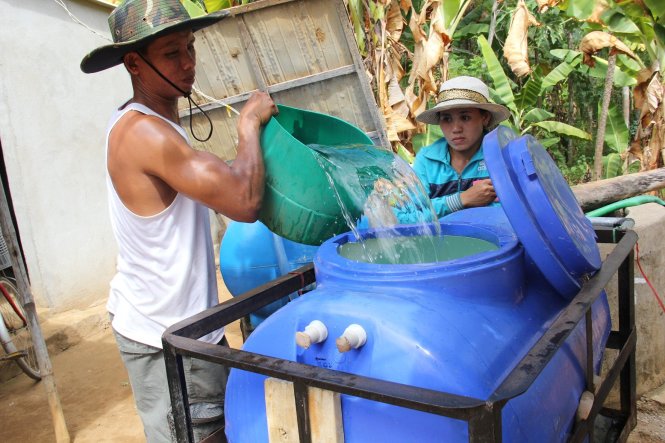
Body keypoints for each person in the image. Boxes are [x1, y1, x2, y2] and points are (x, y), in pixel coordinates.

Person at [80, 1, 278, 442]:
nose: (188, 63)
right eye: (172, 53)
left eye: (190, 47)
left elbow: (216, 181)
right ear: (134, 62)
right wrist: (248, 125)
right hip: (168, 339)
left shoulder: (158, 124)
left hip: (188, 328)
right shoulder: (144, 133)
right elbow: (243, 200)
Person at [413, 76, 511, 218]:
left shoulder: (501, 156)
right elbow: (408, 214)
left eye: (465, 118)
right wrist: (462, 199)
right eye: (447, 119)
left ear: (485, 118)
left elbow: (516, 210)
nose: (456, 129)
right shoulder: (427, 160)